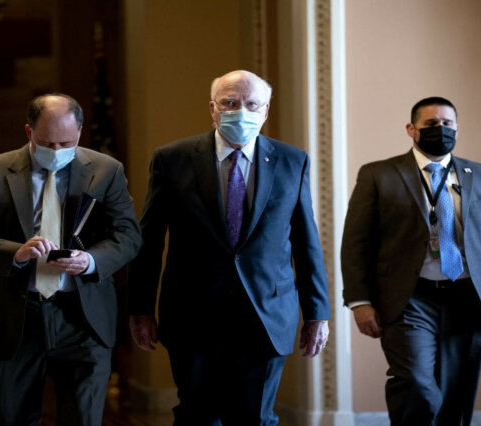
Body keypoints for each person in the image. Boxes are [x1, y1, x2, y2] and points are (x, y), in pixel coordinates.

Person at [127, 70, 331, 425]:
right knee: (196, 415)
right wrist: (140, 309)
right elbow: (151, 239)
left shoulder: (291, 160)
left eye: (252, 104)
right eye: (230, 103)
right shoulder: (172, 159)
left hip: (265, 313)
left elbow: (305, 240)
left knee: (254, 417)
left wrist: (318, 312)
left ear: (265, 111)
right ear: (213, 109)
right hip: (193, 314)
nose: (241, 111)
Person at [0, 93, 142, 425]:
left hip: (83, 318)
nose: (57, 151)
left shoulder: (106, 170)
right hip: (14, 317)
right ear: (29, 133)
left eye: (65, 142)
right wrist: (16, 253)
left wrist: (92, 260)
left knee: (83, 418)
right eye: (47, 143)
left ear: (80, 131)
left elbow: (128, 235)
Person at [342, 97, 481, 426]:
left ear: (457, 128)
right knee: (417, 387)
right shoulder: (379, 174)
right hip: (410, 297)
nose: (441, 130)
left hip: (468, 297)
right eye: (431, 124)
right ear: (412, 129)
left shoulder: (480, 175)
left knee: (457, 394)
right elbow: (356, 241)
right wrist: (359, 301)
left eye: (448, 124)